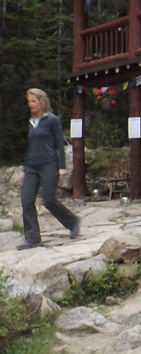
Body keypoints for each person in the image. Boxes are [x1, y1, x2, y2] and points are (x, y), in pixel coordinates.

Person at [18, 89, 80, 250]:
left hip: (49, 164)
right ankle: (32, 238)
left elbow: (60, 143)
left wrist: (62, 167)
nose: (30, 104)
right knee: (26, 200)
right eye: (29, 101)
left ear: (42, 102)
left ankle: (72, 222)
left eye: (33, 101)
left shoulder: (52, 120)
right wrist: (24, 170)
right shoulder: (32, 122)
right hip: (32, 167)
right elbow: (31, 148)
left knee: (48, 200)